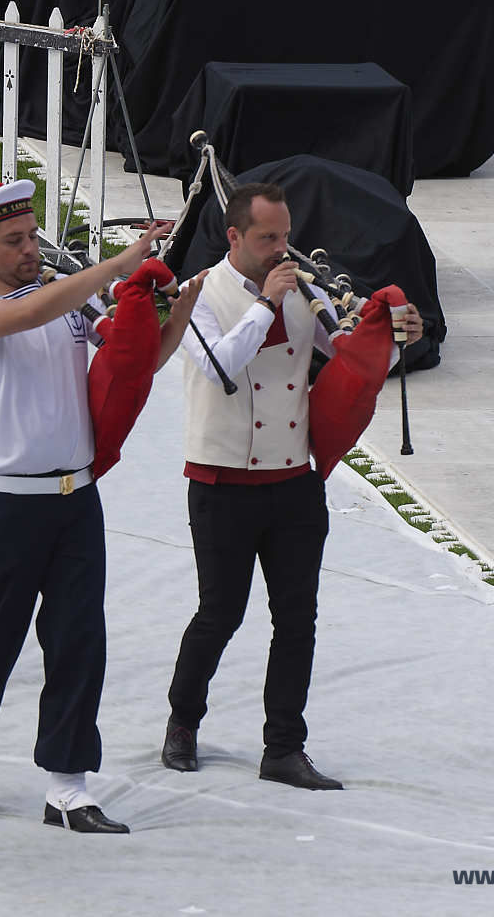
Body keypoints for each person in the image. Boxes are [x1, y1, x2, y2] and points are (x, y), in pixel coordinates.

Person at [0, 180, 198, 833]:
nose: (27, 250)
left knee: (78, 643)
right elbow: (31, 312)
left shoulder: (70, 309)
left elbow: (140, 363)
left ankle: (68, 786)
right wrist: (117, 265)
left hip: (75, 500)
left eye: (31, 237)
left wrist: (179, 307)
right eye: (12, 242)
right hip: (3, 502)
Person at [161, 182, 421, 791]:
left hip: (292, 481)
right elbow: (222, 365)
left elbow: (347, 358)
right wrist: (265, 306)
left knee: (297, 618)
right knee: (219, 613)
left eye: (286, 236)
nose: (284, 250)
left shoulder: (306, 293)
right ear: (234, 237)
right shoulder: (198, 294)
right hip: (222, 481)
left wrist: (392, 335)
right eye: (268, 239)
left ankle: (284, 746)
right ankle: (182, 722)